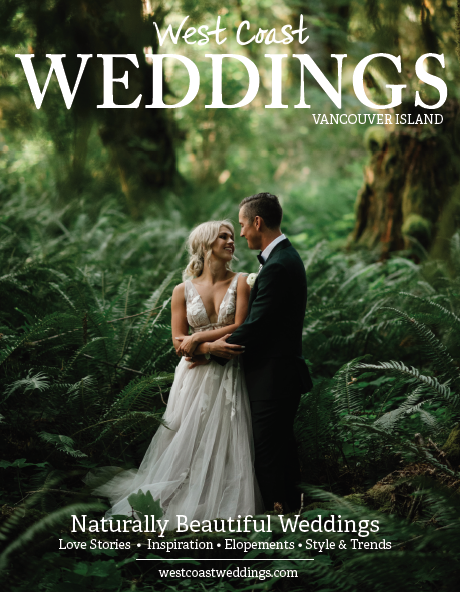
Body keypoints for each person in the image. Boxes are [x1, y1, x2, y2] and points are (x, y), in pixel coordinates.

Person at [85, 220, 263, 528]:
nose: (231, 240)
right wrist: (204, 347)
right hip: (193, 374)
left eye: (232, 236)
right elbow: (177, 341)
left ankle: (221, 499)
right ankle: (180, 494)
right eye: (223, 236)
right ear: (205, 244)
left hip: (229, 373)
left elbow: (240, 326)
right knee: (185, 437)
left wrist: (196, 339)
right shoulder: (182, 290)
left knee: (226, 435)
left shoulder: (243, 282)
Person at [183, 193, 313, 513]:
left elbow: (255, 327)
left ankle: (277, 519)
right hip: (274, 375)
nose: (240, 234)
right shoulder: (282, 259)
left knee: (267, 453)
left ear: (257, 222)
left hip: (273, 376)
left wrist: (206, 351)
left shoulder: (280, 265)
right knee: (279, 448)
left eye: (241, 225)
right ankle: (290, 510)